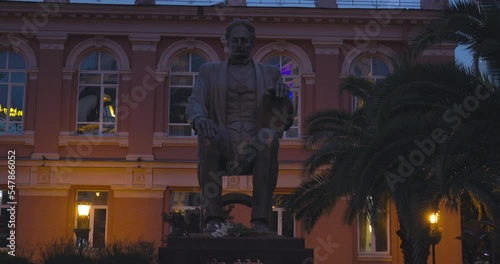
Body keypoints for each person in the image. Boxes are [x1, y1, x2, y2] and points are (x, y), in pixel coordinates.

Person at [186, 19, 294, 233]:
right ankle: (213, 220)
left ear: (252, 42)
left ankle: (261, 221)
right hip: (224, 140)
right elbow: (194, 102)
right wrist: (200, 120)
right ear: (227, 42)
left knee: (269, 138)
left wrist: (283, 98)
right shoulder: (209, 71)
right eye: (235, 40)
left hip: (255, 142)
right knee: (208, 138)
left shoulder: (270, 73)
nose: (239, 44)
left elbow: (286, 119)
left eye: (244, 40)